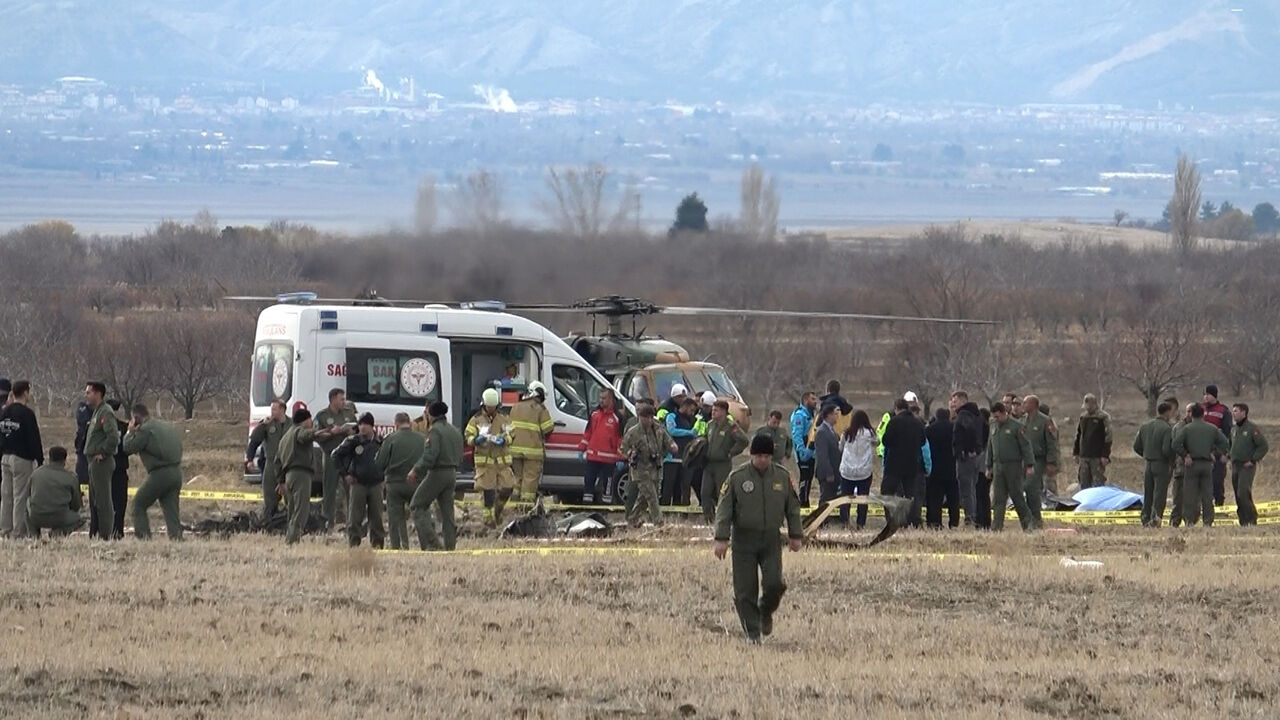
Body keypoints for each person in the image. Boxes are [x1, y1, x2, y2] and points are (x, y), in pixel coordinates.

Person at [713, 434, 803, 644]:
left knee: (774, 583)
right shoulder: (737, 477)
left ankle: (765, 611)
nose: (762, 460)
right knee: (745, 590)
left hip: (771, 539)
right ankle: (753, 633)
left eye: (766, 456)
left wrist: (795, 534)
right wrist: (721, 538)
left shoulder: (782, 477)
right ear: (752, 455)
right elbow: (724, 510)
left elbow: (793, 507)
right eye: (758, 455)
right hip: (744, 540)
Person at [122, 403, 184, 540]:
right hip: (176, 472)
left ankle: (144, 539)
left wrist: (129, 432)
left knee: (138, 504)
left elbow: (128, 447)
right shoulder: (165, 426)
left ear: (136, 417)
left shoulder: (145, 430)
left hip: (160, 474)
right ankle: (177, 538)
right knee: (171, 510)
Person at [410, 401, 464, 550]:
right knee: (447, 514)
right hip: (452, 473)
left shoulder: (435, 431)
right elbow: (461, 454)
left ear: (431, 415)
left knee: (417, 505)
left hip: (437, 472)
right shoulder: (454, 430)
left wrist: (416, 470)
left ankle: (433, 543)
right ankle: (450, 547)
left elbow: (430, 456)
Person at [331, 412, 385, 548]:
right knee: (354, 518)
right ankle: (354, 544)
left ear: (372, 426)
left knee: (377, 518)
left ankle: (377, 544)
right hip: (358, 483)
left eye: (365, 424)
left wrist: (385, 475)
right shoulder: (353, 441)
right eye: (360, 424)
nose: (362, 428)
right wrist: (345, 474)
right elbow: (335, 455)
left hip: (376, 484)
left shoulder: (380, 442)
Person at [1171, 404, 1229, 527]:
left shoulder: (1186, 429)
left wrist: (1185, 455)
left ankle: (1189, 521)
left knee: (1190, 495)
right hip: (1207, 464)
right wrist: (1215, 453)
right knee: (1207, 495)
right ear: (1203, 414)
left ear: (1192, 414)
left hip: (1192, 465)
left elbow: (1175, 444)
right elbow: (1225, 443)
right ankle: (1208, 521)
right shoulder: (1212, 428)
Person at [620, 404, 677, 528]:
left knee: (646, 497)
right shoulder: (633, 432)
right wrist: (631, 453)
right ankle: (659, 523)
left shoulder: (659, 429)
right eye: (646, 417)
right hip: (640, 469)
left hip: (655, 468)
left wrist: (672, 446)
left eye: (651, 417)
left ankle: (633, 518)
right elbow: (623, 448)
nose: (649, 420)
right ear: (640, 417)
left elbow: (669, 441)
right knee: (651, 496)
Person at [376, 412, 426, 550]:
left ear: (396, 424)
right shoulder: (422, 438)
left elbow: (380, 463)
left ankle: (399, 547)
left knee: (396, 518)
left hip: (395, 484)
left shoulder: (390, 439)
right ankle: (426, 545)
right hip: (417, 483)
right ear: (409, 423)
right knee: (420, 515)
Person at [0, 380, 43, 539]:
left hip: (5, 457)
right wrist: (39, 458)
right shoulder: (27, 414)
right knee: (20, 497)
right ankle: (18, 532)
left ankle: (5, 530)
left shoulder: (5, 412)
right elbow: (33, 439)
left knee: (6, 496)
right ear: (25, 392)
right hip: (21, 459)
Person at [467, 388, 515, 526]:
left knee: (508, 486)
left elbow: (512, 433)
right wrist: (476, 440)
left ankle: (498, 509)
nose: (491, 409)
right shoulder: (476, 420)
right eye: (489, 407)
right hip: (485, 463)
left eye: (493, 407)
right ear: (484, 404)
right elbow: (468, 437)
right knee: (487, 491)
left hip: (502, 461)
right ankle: (488, 520)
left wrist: (504, 439)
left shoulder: (504, 418)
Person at [986, 402, 1035, 532]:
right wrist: (988, 466)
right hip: (998, 467)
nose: (996, 419)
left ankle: (1028, 524)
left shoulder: (1017, 426)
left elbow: (1026, 446)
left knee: (1017, 496)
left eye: (997, 416)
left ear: (1004, 413)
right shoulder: (993, 427)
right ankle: (996, 527)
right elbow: (990, 447)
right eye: (994, 417)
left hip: (1013, 467)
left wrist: (1029, 464)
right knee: (998, 499)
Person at [314, 388, 358, 531]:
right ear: (333, 399)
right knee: (329, 490)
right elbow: (316, 435)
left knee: (351, 489)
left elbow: (357, 430)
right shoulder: (322, 416)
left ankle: (352, 522)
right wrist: (331, 433)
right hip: (330, 455)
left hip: (347, 457)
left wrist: (351, 432)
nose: (343, 402)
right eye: (341, 399)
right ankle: (327, 522)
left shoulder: (348, 414)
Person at [82, 381, 120, 541]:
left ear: (98, 394)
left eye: (89, 392)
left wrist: (103, 453)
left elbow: (113, 437)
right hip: (92, 462)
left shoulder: (106, 412)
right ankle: (99, 532)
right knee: (96, 500)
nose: (86, 395)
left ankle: (106, 535)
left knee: (104, 501)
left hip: (101, 463)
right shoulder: (97, 412)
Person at [276, 407, 320, 545]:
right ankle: (293, 541)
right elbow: (305, 436)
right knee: (301, 510)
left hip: (288, 476)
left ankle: (289, 538)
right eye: (310, 419)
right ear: (305, 421)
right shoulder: (299, 432)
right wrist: (316, 432)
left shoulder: (285, 438)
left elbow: (277, 461)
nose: (311, 422)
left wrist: (280, 481)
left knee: (292, 510)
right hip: (301, 474)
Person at [880, 398, 927, 526]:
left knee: (887, 492)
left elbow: (885, 441)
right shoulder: (917, 423)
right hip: (912, 464)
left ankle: (891, 520)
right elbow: (923, 441)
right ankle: (910, 520)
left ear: (896, 408)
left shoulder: (894, 421)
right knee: (910, 494)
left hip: (894, 464)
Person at [701, 400, 750, 522]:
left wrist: (731, 452)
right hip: (709, 464)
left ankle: (723, 519)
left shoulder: (731, 426)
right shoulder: (710, 425)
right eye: (713, 410)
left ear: (723, 412)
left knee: (722, 493)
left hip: (722, 465)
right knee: (705, 493)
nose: (713, 412)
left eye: (716, 410)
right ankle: (709, 520)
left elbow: (743, 440)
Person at [1133, 402, 1176, 528]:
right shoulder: (1167, 428)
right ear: (1167, 412)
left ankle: (1145, 518)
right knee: (1159, 494)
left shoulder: (1145, 426)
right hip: (1161, 464)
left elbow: (1136, 446)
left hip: (1148, 463)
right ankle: (1156, 519)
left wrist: (1146, 453)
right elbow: (1167, 449)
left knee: (1148, 492)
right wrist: (1171, 461)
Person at [509, 381, 554, 501]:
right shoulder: (540, 409)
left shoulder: (516, 406)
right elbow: (548, 429)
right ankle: (526, 505)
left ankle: (514, 503)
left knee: (517, 478)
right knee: (530, 479)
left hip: (514, 451)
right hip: (532, 452)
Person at [1020, 395, 1059, 529]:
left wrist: (1051, 462)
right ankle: (1028, 518)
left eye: (1025, 403)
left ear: (1033, 405)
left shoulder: (1045, 421)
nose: (1023, 405)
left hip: (1038, 459)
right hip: (1024, 459)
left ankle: (1036, 518)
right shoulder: (1023, 420)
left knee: (1031, 487)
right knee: (1023, 488)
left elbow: (1052, 443)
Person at [246, 399, 290, 520]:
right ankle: (269, 520)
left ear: (282, 410)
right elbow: (254, 441)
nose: (272, 412)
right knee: (270, 495)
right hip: (271, 463)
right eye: (271, 409)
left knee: (290, 495)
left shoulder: (292, 424)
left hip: (288, 464)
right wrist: (250, 459)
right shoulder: (267, 424)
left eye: (274, 409)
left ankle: (289, 521)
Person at [579, 388, 624, 505]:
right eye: (600, 398)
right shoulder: (594, 414)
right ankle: (587, 505)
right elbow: (588, 433)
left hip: (609, 459)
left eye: (604, 398)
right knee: (588, 481)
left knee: (607, 484)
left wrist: (620, 457)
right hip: (593, 456)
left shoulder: (617, 418)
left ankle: (606, 507)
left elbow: (621, 439)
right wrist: (581, 448)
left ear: (611, 399)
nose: (601, 401)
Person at [26, 446, 82, 537]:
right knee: (79, 519)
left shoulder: (36, 473)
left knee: (27, 507)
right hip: (60, 517)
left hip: (37, 516)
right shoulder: (71, 478)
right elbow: (76, 505)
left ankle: (34, 535)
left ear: (49, 458)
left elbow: (28, 495)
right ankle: (57, 533)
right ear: (64, 460)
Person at [1228, 403, 1268, 527]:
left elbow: (1263, 446)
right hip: (1235, 465)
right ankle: (1243, 521)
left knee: (1243, 492)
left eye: (1236, 411)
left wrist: (1253, 459)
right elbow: (1231, 445)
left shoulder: (1252, 429)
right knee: (1237, 494)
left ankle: (1251, 518)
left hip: (1247, 466)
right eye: (1233, 411)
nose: (1233, 413)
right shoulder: (1233, 429)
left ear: (1244, 413)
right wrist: (1229, 456)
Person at [838, 410, 877, 528]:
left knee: (845, 499)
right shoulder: (870, 433)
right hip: (864, 472)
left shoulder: (847, 433)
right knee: (863, 499)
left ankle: (844, 522)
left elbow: (840, 447)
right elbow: (877, 442)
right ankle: (860, 524)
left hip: (847, 471)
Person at [950, 391, 984, 527]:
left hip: (966, 458)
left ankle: (969, 519)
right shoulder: (977, 414)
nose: (953, 403)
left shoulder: (963, 415)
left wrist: (965, 450)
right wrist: (978, 449)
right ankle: (973, 516)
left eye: (955, 400)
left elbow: (967, 432)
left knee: (966, 490)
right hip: (976, 457)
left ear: (963, 401)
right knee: (972, 489)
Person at [100, 399, 130, 540]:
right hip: (120, 469)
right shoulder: (124, 427)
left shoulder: (98, 427)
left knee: (103, 502)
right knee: (119, 503)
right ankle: (118, 531)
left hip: (103, 469)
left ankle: (102, 532)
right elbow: (128, 448)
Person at [925, 407, 959, 529]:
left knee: (935, 499)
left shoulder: (929, 430)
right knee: (953, 499)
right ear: (948, 416)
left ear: (937, 416)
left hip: (935, 469)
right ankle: (954, 522)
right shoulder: (954, 428)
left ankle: (935, 522)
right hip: (952, 468)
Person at [664, 397, 700, 505]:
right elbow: (671, 430)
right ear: (685, 406)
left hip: (684, 458)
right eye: (691, 410)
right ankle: (664, 510)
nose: (692, 413)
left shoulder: (691, 420)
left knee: (681, 487)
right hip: (671, 458)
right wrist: (689, 433)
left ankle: (680, 511)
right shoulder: (671, 416)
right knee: (668, 486)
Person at [1072, 393, 1112, 489]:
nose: (1087, 409)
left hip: (1097, 456)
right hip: (1084, 455)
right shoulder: (1083, 417)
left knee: (1098, 484)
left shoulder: (1103, 417)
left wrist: (1105, 455)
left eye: (1089, 406)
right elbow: (1078, 435)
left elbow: (1108, 437)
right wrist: (1076, 452)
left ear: (1094, 404)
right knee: (1083, 483)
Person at [1201, 386, 1233, 506]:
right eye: (1204, 394)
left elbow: (1228, 434)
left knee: (1217, 482)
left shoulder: (1223, 411)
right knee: (1202, 482)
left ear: (1214, 395)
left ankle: (1219, 506)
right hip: (1202, 451)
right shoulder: (1200, 408)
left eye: (1208, 394)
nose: (1206, 397)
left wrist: (1226, 453)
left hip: (1218, 453)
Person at [790, 392, 818, 507]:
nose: (815, 401)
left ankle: (805, 501)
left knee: (809, 478)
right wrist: (802, 451)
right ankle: (803, 503)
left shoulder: (811, 415)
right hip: (804, 452)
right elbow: (797, 435)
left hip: (811, 452)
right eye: (812, 399)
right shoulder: (800, 415)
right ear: (806, 400)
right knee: (805, 478)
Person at [1168, 401, 1192, 528]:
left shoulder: (1200, 427)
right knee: (1178, 497)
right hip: (1180, 467)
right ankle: (1174, 522)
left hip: (1194, 468)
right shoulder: (1178, 427)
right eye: (1187, 411)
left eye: (1191, 411)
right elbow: (1173, 446)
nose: (1189, 414)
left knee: (1193, 498)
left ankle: (1190, 521)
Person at [812, 405, 841, 507]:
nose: (837, 417)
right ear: (829, 415)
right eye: (835, 414)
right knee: (825, 499)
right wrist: (829, 473)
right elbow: (822, 456)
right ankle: (821, 521)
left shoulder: (833, 432)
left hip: (835, 472)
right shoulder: (822, 432)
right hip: (827, 474)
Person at [809, 380, 853, 446]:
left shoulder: (826, 408)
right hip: (844, 443)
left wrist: (811, 444)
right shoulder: (848, 409)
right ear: (839, 390)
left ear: (828, 390)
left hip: (827, 443)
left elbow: (818, 425)